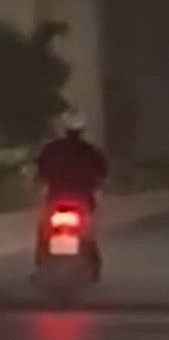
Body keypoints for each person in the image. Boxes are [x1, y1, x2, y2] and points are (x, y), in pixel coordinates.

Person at [33, 113, 108, 274]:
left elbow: (39, 170)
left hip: (56, 198)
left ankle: (40, 260)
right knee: (88, 234)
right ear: (81, 130)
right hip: (82, 200)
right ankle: (93, 264)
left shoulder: (52, 149)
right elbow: (102, 173)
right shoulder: (90, 150)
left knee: (44, 231)